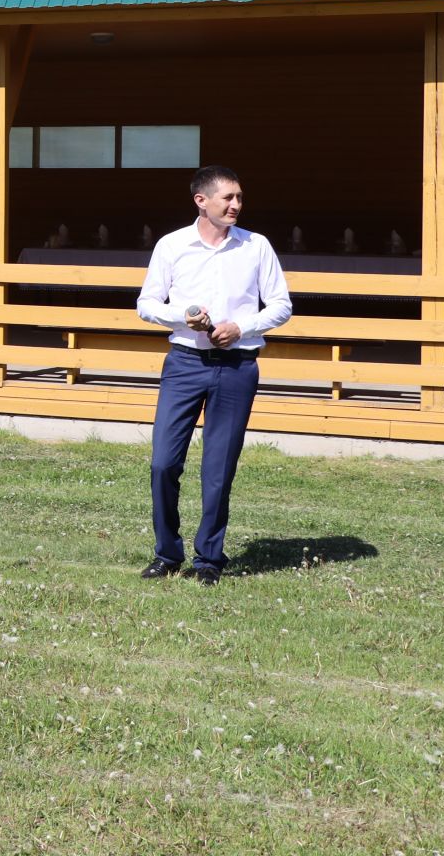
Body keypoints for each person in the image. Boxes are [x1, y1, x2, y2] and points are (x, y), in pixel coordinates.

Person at [136, 166, 292, 585]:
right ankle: (168, 554)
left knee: (218, 470)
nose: (237, 205)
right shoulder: (172, 246)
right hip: (185, 364)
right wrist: (182, 316)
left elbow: (281, 305)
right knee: (163, 465)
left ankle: (209, 560)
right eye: (228, 198)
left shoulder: (256, 247)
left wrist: (242, 328)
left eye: (240, 197)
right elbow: (147, 303)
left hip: (238, 367)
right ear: (201, 201)